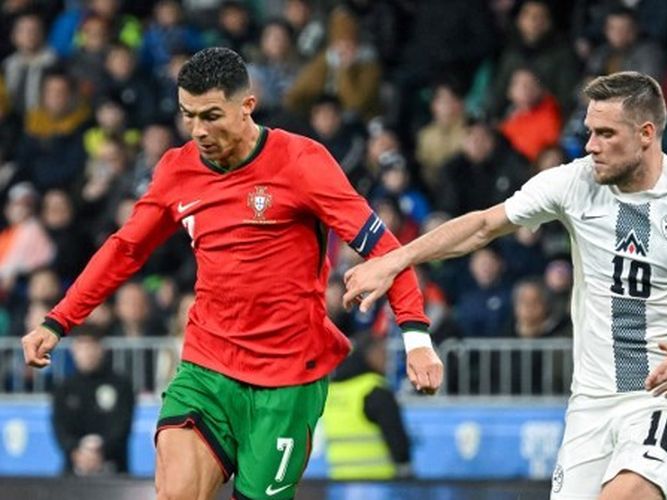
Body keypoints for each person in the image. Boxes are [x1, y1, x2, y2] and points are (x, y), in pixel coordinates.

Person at [21, 47, 442, 500]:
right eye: (188, 116)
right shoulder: (177, 170)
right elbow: (125, 249)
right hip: (208, 367)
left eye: (211, 116)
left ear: (248, 107)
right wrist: (58, 319)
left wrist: (416, 340)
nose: (198, 131)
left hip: (287, 380)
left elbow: (386, 251)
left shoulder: (301, 162)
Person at [343, 71, 667, 499]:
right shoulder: (575, 183)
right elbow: (483, 226)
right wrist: (396, 259)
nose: (591, 145)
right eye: (590, 132)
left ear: (646, 133)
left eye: (606, 134)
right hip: (592, 397)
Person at [322, 332, 413, 479]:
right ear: (370, 354)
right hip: (378, 484)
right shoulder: (374, 390)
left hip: (340, 483)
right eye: (383, 352)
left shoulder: (331, 391)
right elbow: (396, 438)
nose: (387, 359)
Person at [51, 325, 135, 475]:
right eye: (82, 348)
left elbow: (122, 427)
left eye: (91, 347)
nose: (87, 353)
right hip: (72, 472)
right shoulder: (64, 388)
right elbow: (60, 428)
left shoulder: (121, 385)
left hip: (114, 471)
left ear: (101, 349)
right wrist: (76, 450)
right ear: (73, 350)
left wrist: (102, 451)